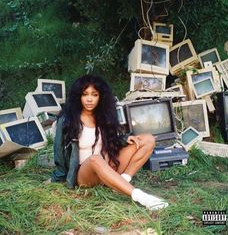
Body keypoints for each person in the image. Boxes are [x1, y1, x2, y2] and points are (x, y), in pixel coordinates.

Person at [51, 74, 169, 211]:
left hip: (108, 165)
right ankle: (141, 197)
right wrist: (58, 177)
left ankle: (123, 181)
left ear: (100, 97)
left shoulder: (103, 115)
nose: (89, 99)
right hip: (85, 174)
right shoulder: (67, 120)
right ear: (78, 96)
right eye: (85, 94)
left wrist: (125, 139)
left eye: (94, 95)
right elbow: (59, 151)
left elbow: (111, 141)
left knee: (148, 139)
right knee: (95, 159)